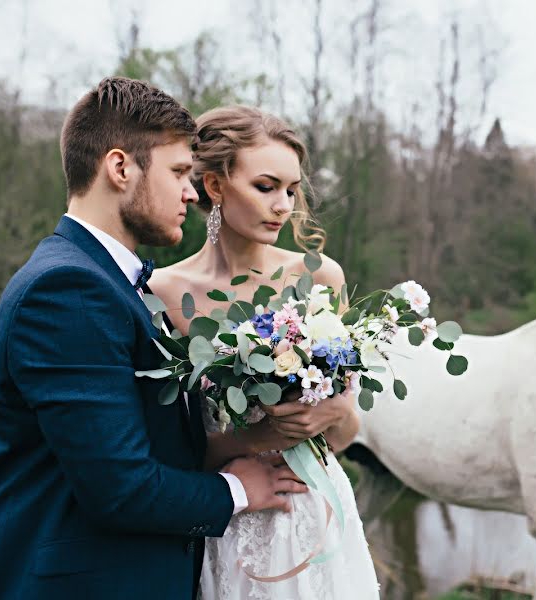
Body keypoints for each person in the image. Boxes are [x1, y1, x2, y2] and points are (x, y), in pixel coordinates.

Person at [0, 78, 302, 600]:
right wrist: (238, 489)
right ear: (119, 168)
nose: (192, 191)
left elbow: (146, 439)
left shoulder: (110, 281)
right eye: (180, 172)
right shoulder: (67, 290)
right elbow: (120, 488)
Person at [150, 104, 379, 599]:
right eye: (266, 186)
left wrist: (334, 410)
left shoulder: (318, 279)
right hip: (230, 517)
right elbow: (171, 451)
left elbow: (347, 429)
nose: (283, 205)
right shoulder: (164, 294)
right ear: (214, 186)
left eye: (292, 191)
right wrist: (256, 437)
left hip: (316, 513)